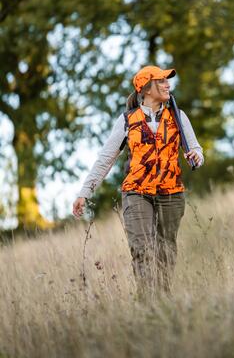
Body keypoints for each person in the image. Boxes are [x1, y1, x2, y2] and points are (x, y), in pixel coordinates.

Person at [72, 65, 204, 295]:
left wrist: (197, 156)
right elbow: (105, 159)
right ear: (146, 89)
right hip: (136, 192)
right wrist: (85, 192)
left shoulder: (178, 116)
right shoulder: (127, 120)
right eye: (161, 81)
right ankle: (147, 301)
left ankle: (162, 300)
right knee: (142, 249)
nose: (167, 85)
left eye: (167, 80)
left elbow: (196, 150)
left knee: (166, 250)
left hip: (171, 193)